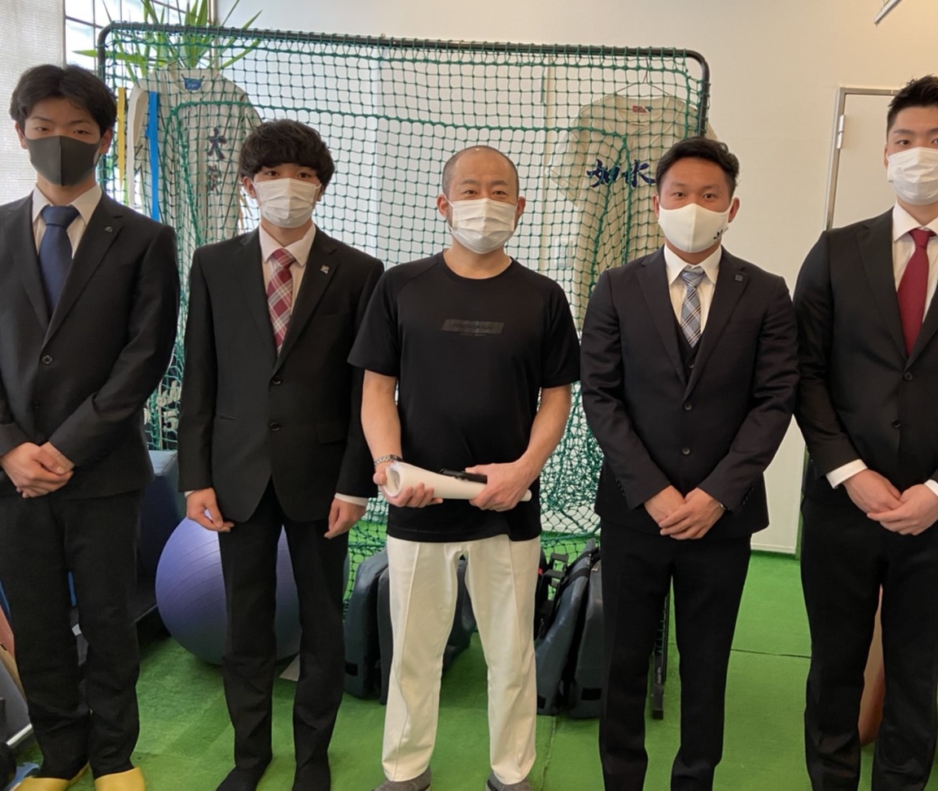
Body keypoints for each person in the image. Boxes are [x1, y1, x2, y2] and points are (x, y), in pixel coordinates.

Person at [794, 75, 938, 790]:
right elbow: (804, 374)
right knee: (834, 666)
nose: (919, 152)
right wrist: (849, 471)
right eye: (904, 139)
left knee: (916, 673)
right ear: (885, 152)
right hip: (841, 502)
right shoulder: (835, 251)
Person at [349, 145, 580, 791]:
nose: (486, 202)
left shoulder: (544, 297)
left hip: (508, 504)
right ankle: (405, 769)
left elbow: (557, 397)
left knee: (511, 653)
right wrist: (389, 465)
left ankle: (512, 771)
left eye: (500, 190)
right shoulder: (401, 286)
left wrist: (523, 469)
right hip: (418, 502)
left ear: (521, 206)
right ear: (443, 204)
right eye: (471, 189)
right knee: (413, 651)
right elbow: (377, 390)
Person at [581, 137, 799, 791]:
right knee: (622, 657)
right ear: (657, 203)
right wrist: (651, 490)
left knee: (706, 663)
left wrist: (715, 494)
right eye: (679, 193)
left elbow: (774, 400)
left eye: (709, 195)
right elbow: (601, 395)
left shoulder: (766, 293)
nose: (693, 207)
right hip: (634, 512)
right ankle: (622, 776)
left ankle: (695, 778)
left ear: (733, 206)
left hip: (721, 519)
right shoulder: (617, 286)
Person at [177, 119, 383, 791]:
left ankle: (313, 757)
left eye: (302, 174)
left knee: (323, 622)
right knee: (245, 622)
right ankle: (250, 755)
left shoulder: (358, 271)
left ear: (321, 186)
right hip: (236, 474)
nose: (286, 186)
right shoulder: (213, 264)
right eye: (271, 174)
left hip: (322, 479)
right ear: (248, 185)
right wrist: (195, 478)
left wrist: (355, 483)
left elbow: (365, 390)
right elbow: (200, 377)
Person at [0, 65, 179, 791]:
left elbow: (145, 357)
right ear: (20, 134)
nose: (60, 141)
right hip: (11, 477)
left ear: (105, 139)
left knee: (108, 618)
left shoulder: (144, 239)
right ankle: (60, 755)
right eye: (43, 128)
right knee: (37, 621)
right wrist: (10, 447)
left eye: (78, 129)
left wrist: (67, 447)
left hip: (103, 470)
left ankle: (112, 756)